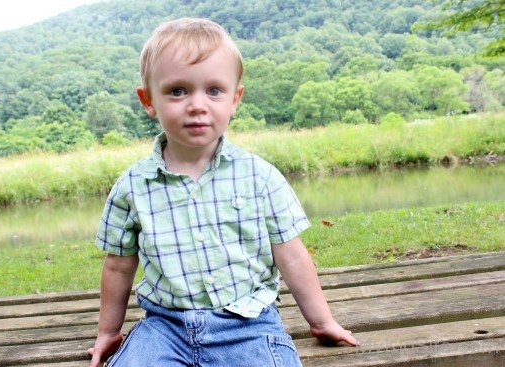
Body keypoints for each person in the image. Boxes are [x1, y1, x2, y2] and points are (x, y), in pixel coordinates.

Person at [88, 17, 357, 367]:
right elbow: (118, 266)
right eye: (177, 90)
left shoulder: (259, 177)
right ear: (148, 100)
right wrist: (108, 332)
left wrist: (321, 321)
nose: (197, 104)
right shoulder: (133, 187)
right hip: (164, 328)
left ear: (235, 99)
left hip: (247, 323)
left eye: (214, 90)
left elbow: (291, 255)